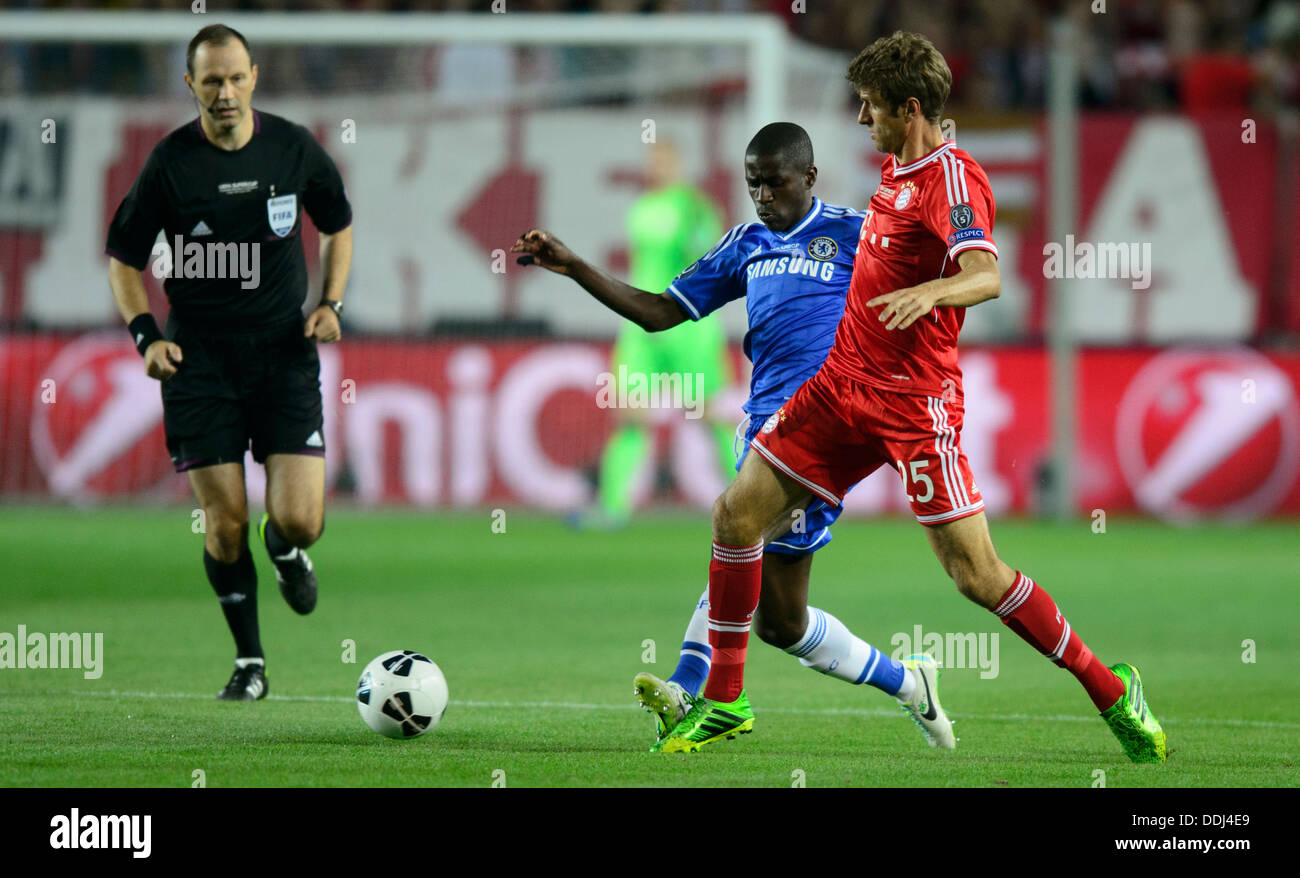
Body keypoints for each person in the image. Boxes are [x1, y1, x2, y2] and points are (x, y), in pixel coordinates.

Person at [652, 31, 1167, 763]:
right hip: (839, 390)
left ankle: (1110, 688)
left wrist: (933, 291)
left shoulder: (952, 181)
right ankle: (726, 701)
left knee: (976, 577)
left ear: (911, 108)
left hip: (912, 407)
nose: (862, 120)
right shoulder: (894, 171)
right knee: (736, 517)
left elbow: (986, 275)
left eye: (871, 107)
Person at [512, 122, 953, 752]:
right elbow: (661, 311)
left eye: (775, 182)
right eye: (753, 185)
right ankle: (911, 683)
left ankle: (694, 687)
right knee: (782, 621)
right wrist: (577, 267)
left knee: (736, 526)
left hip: (824, 430)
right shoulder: (745, 243)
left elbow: (934, 280)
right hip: (763, 427)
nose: (764, 196)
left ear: (809, 177)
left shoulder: (858, 233)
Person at [105, 24, 354, 701]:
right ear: (191, 86)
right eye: (210, 81)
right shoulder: (169, 164)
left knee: (299, 519)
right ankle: (250, 662)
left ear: (254, 77)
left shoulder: (292, 148)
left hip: (282, 354)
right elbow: (124, 258)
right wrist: (145, 337)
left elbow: (337, 223)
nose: (224, 92)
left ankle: (286, 551)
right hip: (201, 363)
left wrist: (330, 302)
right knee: (224, 524)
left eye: (234, 77)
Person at [576, 139, 733, 529]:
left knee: (709, 416)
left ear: (678, 163)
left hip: (686, 326)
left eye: (663, 159)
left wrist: (697, 230)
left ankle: (751, 499)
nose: (655, 166)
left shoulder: (694, 207)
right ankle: (611, 509)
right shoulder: (641, 208)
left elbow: (711, 256)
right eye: (651, 159)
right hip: (641, 326)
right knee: (630, 413)